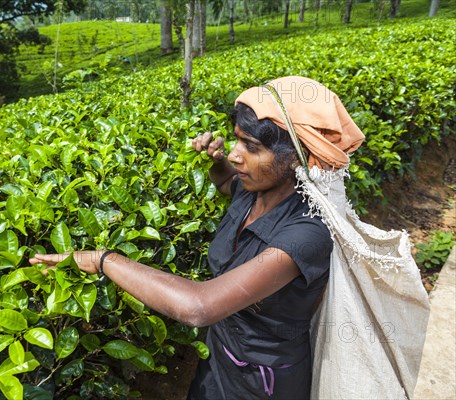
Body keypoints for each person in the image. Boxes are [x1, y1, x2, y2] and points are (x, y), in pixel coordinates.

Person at [30, 76, 365, 399]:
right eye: (236, 140)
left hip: (264, 382)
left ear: (295, 156)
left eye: (250, 147)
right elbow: (226, 183)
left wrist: (102, 260)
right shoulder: (256, 191)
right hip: (219, 359)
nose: (236, 154)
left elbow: (199, 307)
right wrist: (216, 162)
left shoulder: (306, 232)